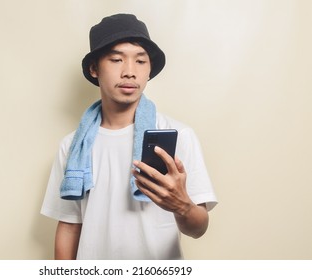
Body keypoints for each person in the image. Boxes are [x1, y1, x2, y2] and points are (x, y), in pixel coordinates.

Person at [41, 13, 217, 260]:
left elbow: (198, 228)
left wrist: (182, 205)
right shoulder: (73, 146)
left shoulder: (179, 136)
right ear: (94, 68)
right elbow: (70, 226)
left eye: (141, 61)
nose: (129, 72)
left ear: (149, 70)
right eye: (116, 59)